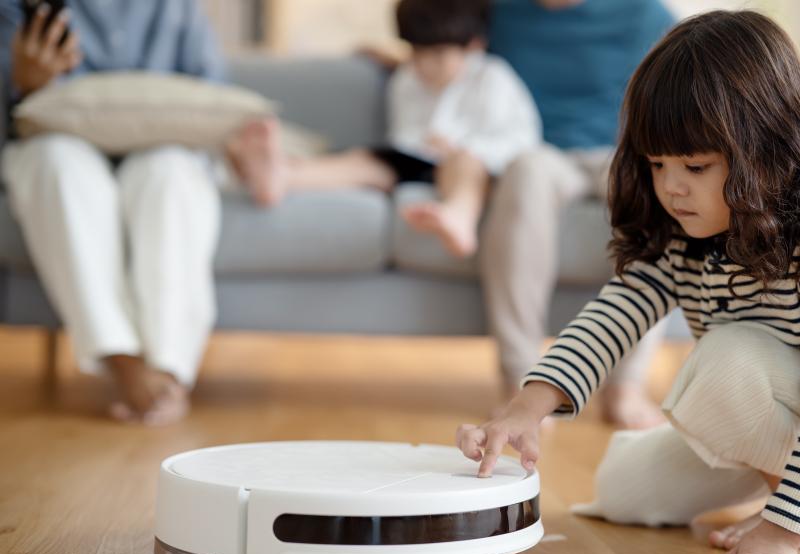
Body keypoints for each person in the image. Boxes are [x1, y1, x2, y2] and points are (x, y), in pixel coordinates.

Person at [455, 10, 800, 554]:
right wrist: (527, 406)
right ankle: (779, 487)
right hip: (767, 421)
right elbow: (613, 316)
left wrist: (784, 529)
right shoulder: (684, 236)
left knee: (723, 360)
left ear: (770, 147)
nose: (671, 186)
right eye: (658, 164)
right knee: (623, 490)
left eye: (695, 166)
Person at [0, 0, 225, 425]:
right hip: (57, 143)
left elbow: (214, 94)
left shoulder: (177, 8)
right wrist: (24, 88)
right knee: (55, 162)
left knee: (171, 170)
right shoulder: (17, 9)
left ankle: (167, 368)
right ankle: (124, 363)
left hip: (161, 147)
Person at [480, 0, 676, 427]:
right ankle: (521, 385)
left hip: (623, 153)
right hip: (541, 153)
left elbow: (685, 81)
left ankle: (627, 387)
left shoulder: (644, 15)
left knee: (664, 193)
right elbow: (460, 59)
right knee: (524, 172)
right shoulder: (499, 12)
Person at [230, 0, 541, 259]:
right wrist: (423, 144)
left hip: (472, 165)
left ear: (473, 46)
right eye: (416, 53)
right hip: (417, 161)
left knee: (465, 162)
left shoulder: (493, 78)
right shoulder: (407, 78)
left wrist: (460, 145)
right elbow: (403, 133)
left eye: (437, 56)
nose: (424, 66)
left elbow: (522, 138)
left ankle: (459, 216)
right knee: (365, 161)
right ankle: (280, 175)